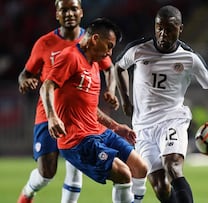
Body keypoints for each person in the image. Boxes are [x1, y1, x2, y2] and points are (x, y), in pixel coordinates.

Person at [115, 5, 208, 203]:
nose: (163, 33)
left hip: (172, 120)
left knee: (172, 167)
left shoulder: (189, 58)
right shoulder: (139, 49)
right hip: (143, 127)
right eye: (159, 27)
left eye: (170, 28)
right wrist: (125, 100)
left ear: (180, 29)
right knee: (160, 187)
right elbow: (120, 67)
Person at [17, 1, 126, 202]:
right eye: (64, 10)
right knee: (46, 173)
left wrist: (110, 90)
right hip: (48, 114)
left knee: (75, 169)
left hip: (77, 116)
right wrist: (26, 81)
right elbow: (25, 73)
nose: (69, 13)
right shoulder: (45, 43)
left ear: (81, 12)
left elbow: (109, 67)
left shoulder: (93, 40)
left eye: (73, 8)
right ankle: (27, 192)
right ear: (57, 14)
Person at [40, 17, 148, 203]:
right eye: (109, 45)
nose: (110, 52)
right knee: (123, 174)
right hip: (78, 140)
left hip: (98, 132)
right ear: (95, 39)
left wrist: (115, 126)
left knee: (140, 167)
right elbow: (46, 86)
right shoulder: (70, 57)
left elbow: (91, 109)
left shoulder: (94, 65)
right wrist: (51, 116)